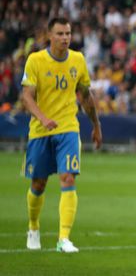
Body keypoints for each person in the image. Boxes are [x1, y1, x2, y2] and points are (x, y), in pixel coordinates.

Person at [21, 17, 103, 253]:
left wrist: (96, 124)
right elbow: (27, 96)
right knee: (39, 183)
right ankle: (33, 227)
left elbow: (85, 95)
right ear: (49, 35)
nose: (65, 38)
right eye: (60, 34)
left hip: (68, 127)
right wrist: (43, 118)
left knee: (68, 177)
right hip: (40, 130)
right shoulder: (35, 60)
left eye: (68, 33)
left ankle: (63, 238)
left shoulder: (78, 59)